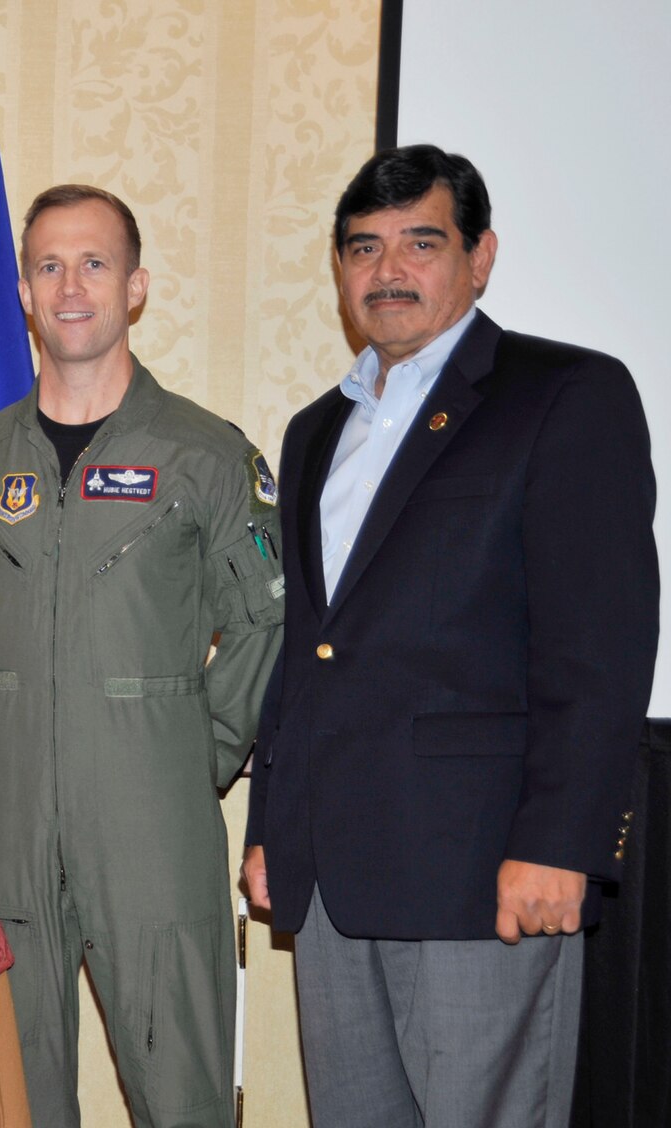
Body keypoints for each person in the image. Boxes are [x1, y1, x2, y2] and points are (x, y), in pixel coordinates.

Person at [242, 144, 656, 1127]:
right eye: (361, 248)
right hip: (331, 877)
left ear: (479, 258)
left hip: (482, 872)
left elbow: (596, 649)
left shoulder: (561, 396)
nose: (385, 271)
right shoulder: (312, 432)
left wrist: (562, 843)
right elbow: (309, 648)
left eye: (418, 243)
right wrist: (273, 827)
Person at [0, 184, 284, 1128]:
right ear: (23, 291)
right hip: (10, 820)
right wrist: (26, 726)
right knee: (16, 1083)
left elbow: (264, 621)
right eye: (49, 265)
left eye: (94, 263)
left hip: (152, 821)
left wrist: (186, 751)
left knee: (181, 1091)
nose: (71, 285)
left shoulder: (205, 456)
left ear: (136, 288)